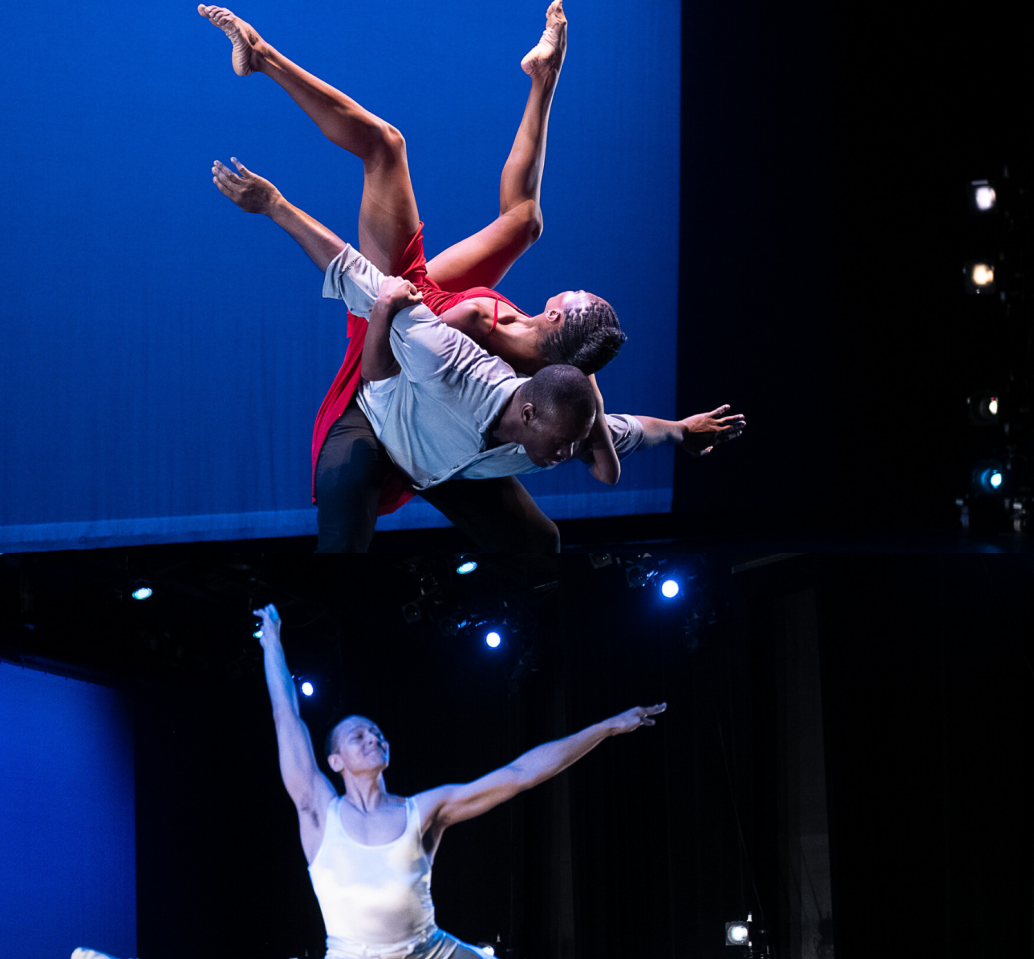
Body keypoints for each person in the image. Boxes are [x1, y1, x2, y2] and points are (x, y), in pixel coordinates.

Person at [196, 4, 745, 555]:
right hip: (426, 315)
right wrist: (675, 429)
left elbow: (379, 312)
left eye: (574, 297)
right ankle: (543, 78)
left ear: (556, 319)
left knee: (386, 147)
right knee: (525, 221)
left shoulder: (480, 328)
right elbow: (614, 446)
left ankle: (263, 55)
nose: (572, 287)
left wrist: (276, 206)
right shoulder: (564, 377)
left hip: (399, 321)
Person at [72, 604, 695, 959]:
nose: (371, 735)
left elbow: (521, 773)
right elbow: (287, 717)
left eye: (376, 730)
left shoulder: (426, 810)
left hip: (430, 956)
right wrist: (274, 645)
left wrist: (607, 728)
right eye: (355, 734)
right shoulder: (317, 808)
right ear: (335, 760)